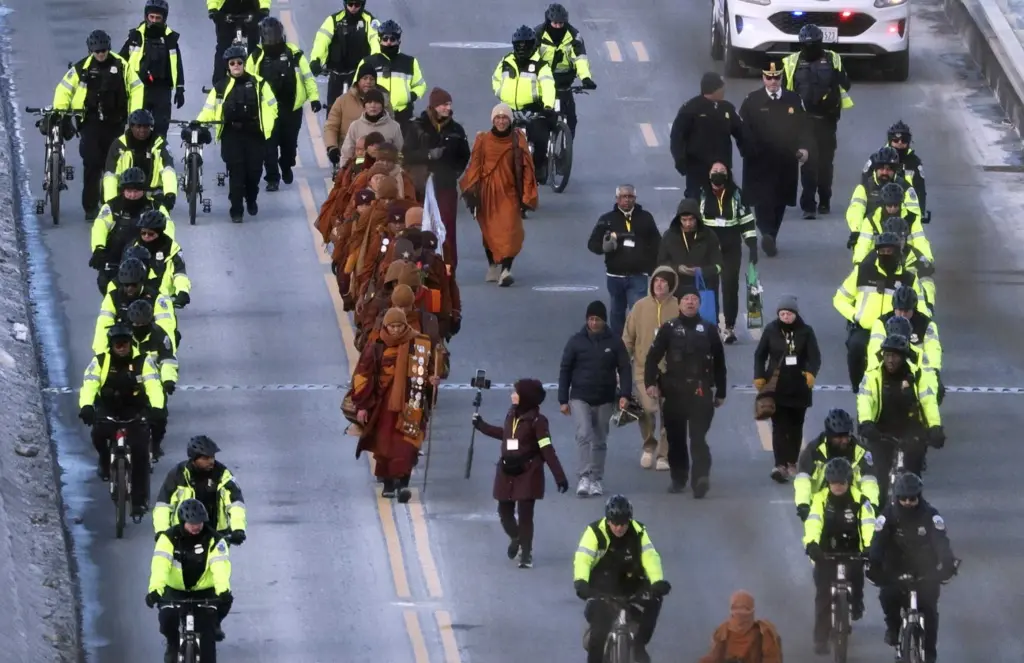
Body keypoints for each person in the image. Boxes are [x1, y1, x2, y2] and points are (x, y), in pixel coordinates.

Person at [471, 379, 569, 568]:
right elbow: (506, 434)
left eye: (515, 392)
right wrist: (482, 426)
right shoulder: (511, 414)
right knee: (504, 511)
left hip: (528, 471)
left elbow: (546, 448)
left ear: (526, 396)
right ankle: (516, 537)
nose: (512, 395)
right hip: (507, 470)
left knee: (525, 513)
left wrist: (559, 476)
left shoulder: (538, 422)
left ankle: (526, 553)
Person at [53, 30, 144, 220]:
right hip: (90, 123)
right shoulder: (82, 67)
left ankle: (111, 204)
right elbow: (64, 88)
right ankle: (90, 207)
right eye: (97, 51)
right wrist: (59, 110)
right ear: (91, 50)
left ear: (108, 48)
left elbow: (137, 87)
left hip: (115, 122)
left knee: (113, 165)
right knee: (92, 164)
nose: (101, 54)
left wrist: (135, 115)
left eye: (103, 50)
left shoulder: (121, 65)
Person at [644, 288, 726, 497]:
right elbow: (652, 358)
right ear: (679, 304)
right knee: (676, 438)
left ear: (699, 304)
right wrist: (650, 383)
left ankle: (700, 478)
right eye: (686, 299)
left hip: (700, 391)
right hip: (674, 392)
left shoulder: (708, 329)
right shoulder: (669, 328)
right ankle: (679, 478)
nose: (690, 302)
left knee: (698, 437)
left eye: (694, 299)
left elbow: (719, 363)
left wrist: (721, 392)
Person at [351, 308, 439, 502]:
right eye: (392, 326)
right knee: (385, 446)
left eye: (400, 326)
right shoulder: (376, 345)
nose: (396, 330)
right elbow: (362, 374)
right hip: (383, 405)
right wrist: (363, 405)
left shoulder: (418, 343)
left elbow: (427, 369)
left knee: (407, 444)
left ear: (405, 325)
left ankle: (403, 486)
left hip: (411, 404)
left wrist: (432, 380)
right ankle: (389, 484)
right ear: (385, 326)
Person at [78, 324, 165, 517]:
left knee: (141, 452)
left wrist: (157, 408)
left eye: (125, 343)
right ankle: (104, 459)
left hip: (135, 411)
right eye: (117, 343)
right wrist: (86, 406)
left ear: (130, 343)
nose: (121, 346)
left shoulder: (144, 362)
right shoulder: (100, 362)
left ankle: (138, 502)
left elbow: (154, 386)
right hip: (109, 409)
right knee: (98, 434)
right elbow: (90, 385)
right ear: (111, 345)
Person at [868, 473, 956, 661]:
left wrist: (947, 564)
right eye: (903, 498)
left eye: (912, 498)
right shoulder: (887, 516)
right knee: (887, 596)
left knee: (930, 611)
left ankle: (930, 653)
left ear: (919, 496)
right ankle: (893, 628)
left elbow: (941, 542)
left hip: (925, 569)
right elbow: (878, 542)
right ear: (897, 497)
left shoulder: (931, 515)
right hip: (895, 568)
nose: (908, 502)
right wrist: (873, 564)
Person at [573, 495, 670, 663]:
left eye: (623, 524)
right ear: (608, 520)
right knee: (599, 634)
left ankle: (639, 645)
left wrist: (657, 581)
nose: (619, 528)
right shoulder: (594, 532)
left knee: (655, 600)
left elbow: (650, 557)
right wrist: (581, 582)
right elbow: (583, 559)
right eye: (615, 523)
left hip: (633, 585)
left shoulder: (639, 531)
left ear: (629, 521)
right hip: (603, 588)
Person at [833, 231, 928, 392]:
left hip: (898, 331)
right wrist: (855, 315)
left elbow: (921, 308)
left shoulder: (909, 279)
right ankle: (859, 389)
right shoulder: (863, 271)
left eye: (890, 251)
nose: (885, 255)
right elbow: (839, 299)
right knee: (855, 349)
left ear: (898, 252)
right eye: (882, 251)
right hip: (866, 328)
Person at [857, 334, 944, 504]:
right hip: (881, 429)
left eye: (895, 356)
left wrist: (935, 427)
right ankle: (879, 512)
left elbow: (928, 401)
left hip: (910, 427)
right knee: (879, 476)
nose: (890, 360)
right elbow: (864, 400)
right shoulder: (873, 375)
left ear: (903, 357)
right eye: (887, 355)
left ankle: (914, 506)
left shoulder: (917, 375)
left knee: (914, 470)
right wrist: (866, 422)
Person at [197, 44, 278, 223]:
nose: (236, 66)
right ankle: (236, 209)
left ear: (244, 64)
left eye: (239, 62)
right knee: (236, 172)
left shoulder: (259, 83)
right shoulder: (220, 87)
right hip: (231, 134)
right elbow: (209, 110)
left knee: (254, 172)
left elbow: (272, 107)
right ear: (227, 65)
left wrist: (267, 127)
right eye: (232, 63)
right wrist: (199, 123)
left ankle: (251, 198)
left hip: (255, 133)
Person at [146, 499, 233, 663]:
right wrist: (155, 590)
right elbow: (160, 566)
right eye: (192, 523)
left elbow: (220, 567)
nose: (196, 526)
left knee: (208, 639)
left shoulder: (215, 540)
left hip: (204, 591)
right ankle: (173, 643)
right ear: (183, 522)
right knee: (167, 620)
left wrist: (222, 590)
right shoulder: (168, 538)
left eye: (199, 523)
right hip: (175, 591)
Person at [460, 103, 538, 287]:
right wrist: (470, 191)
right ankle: (493, 265)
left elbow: (527, 168)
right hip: (487, 193)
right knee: (490, 232)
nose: (501, 121)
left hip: (509, 192)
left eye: (505, 118)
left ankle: (506, 269)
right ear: (493, 120)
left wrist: (527, 195)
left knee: (512, 230)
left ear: (510, 120)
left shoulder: (518, 140)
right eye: (498, 118)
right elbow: (475, 166)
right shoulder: (483, 140)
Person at [558, 301, 632, 497]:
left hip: (605, 397)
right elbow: (565, 369)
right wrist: (563, 400)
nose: (593, 323)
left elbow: (624, 368)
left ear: (603, 321)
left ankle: (596, 479)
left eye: (597, 319)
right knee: (583, 433)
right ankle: (584, 476)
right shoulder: (576, 342)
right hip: (580, 396)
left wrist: (625, 395)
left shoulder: (615, 342)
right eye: (590, 319)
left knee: (599, 439)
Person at [804, 458, 876, 654]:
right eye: (833, 483)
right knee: (823, 596)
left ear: (848, 482)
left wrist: (870, 546)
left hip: (852, 551)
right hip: (825, 553)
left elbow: (868, 524)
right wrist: (811, 544)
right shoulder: (820, 499)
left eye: (841, 483)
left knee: (857, 576)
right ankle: (820, 638)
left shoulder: (861, 500)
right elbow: (813, 522)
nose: (837, 487)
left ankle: (856, 603)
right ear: (828, 482)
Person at [781, 24, 853, 218]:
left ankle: (825, 199)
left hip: (827, 120)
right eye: (806, 45)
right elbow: (784, 92)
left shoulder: (832, 58)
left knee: (825, 164)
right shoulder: (791, 62)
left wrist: (837, 83)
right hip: (803, 121)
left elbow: (846, 84)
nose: (810, 48)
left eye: (814, 44)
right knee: (808, 162)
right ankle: (808, 205)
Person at [738, 62, 809, 257]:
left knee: (780, 200)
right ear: (763, 78)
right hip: (759, 161)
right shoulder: (752, 101)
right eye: (768, 77)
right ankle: (766, 233)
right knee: (762, 200)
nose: (772, 81)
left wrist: (804, 147)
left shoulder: (793, 100)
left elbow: (804, 127)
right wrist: (746, 151)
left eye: (776, 77)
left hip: (785, 160)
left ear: (781, 78)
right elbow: (742, 130)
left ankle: (772, 235)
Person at [245, 17, 321, 191]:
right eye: (269, 36)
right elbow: (248, 81)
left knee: (289, 145)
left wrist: (314, 98)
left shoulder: (294, 54)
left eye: (275, 35)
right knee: (268, 146)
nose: (272, 39)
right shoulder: (256, 56)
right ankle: (272, 178)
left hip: (291, 108)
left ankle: (286, 165)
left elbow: (308, 77)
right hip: (267, 110)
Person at [753, 295, 821, 482]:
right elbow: (760, 355)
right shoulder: (771, 330)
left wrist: (811, 373)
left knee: (796, 426)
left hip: (799, 386)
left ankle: (792, 461)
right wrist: (759, 375)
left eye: (788, 314)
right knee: (779, 426)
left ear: (795, 314)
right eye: (782, 314)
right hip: (777, 386)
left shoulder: (806, 332)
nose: (785, 317)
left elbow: (815, 356)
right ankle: (779, 464)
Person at [401, 87, 471, 266]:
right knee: (421, 225)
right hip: (421, 186)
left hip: (445, 186)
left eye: (449, 104)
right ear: (433, 107)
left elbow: (464, 155)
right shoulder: (416, 127)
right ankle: (418, 264)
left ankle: (448, 266)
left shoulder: (456, 129)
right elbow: (407, 155)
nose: (447, 108)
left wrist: (454, 172)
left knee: (446, 227)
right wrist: (429, 155)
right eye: (443, 105)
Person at [622, 266, 678, 471]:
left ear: (670, 285)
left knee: (669, 414)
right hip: (642, 369)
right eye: (656, 281)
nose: (659, 285)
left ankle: (664, 453)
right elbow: (628, 338)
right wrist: (621, 365)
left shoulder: (678, 308)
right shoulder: (639, 307)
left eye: (664, 281)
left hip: (671, 371)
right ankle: (648, 444)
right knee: (646, 409)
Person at [586, 184, 661, 336]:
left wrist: (654, 269)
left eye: (630, 197)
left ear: (635, 198)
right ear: (617, 199)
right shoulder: (607, 219)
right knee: (617, 313)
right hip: (615, 276)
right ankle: (618, 346)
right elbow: (592, 244)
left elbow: (657, 244)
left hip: (638, 275)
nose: (626, 200)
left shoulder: (645, 217)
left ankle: (636, 343)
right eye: (623, 197)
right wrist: (604, 247)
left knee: (637, 312)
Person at [152, 435, 248, 549]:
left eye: (212, 457)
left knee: (220, 566)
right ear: (194, 459)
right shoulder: (178, 475)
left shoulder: (222, 474)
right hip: (183, 536)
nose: (211, 461)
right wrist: (161, 531)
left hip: (215, 537)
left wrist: (238, 529)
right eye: (205, 458)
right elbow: (164, 505)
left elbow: (235, 503)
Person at [90, 167, 174, 294]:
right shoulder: (112, 207)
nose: (133, 195)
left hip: (148, 259)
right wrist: (98, 248)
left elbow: (168, 227)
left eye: (136, 191)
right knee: (104, 283)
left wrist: (164, 249)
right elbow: (100, 226)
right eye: (129, 191)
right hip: (116, 258)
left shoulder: (155, 206)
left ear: (144, 191)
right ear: (123, 190)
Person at [699, 163, 756, 342]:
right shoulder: (701, 194)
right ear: (708, 175)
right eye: (714, 172)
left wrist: (752, 246)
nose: (718, 174)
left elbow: (747, 221)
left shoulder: (737, 195)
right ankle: (711, 325)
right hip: (708, 251)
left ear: (728, 175)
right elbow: (692, 222)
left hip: (731, 249)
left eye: (722, 172)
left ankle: (729, 328)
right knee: (709, 288)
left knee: (730, 287)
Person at [492, 26, 556, 181]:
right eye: (519, 45)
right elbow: (496, 79)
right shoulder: (506, 61)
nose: (522, 48)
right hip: (509, 109)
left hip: (534, 109)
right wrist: (501, 93)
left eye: (525, 44)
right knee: (496, 141)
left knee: (540, 138)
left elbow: (548, 86)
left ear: (532, 45)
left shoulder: (541, 65)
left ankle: (539, 167)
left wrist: (547, 106)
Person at [669, 72, 744, 199]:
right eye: (722, 87)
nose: (724, 90)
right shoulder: (691, 109)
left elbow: (741, 131)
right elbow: (677, 136)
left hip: (722, 167)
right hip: (697, 167)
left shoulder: (726, 108)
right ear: (714, 89)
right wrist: (681, 162)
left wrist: (750, 151)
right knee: (696, 199)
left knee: (727, 198)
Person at [794, 408, 879, 519]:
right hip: (820, 503)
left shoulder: (862, 451)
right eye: (839, 437)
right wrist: (803, 504)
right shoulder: (813, 450)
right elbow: (803, 480)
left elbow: (869, 481)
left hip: (854, 503)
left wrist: (872, 504)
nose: (844, 440)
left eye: (846, 435)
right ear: (829, 435)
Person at [118, 1, 185, 138]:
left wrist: (180, 88)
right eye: (151, 17)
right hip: (139, 89)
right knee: (138, 129)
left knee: (160, 128)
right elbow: (121, 62)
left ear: (164, 18)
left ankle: (159, 156)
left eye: (157, 18)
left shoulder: (170, 39)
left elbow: (177, 64)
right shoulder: (135, 37)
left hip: (162, 89)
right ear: (146, 16)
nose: (154, 21)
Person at [534, 3, 596, 138]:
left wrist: (585, 77)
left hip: (564, 82)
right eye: (555, 23)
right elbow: (532, 58)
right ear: (548, 21)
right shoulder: (538, 34)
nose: (558, 26)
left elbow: (580, 58)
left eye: (561, 23)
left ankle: (566, 149)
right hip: (543, 82)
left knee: (571, 119)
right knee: (540, 117)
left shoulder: (574, 35)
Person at [867, 287, 943, 397]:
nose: (902, 315)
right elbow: (874, 350)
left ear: (914, 309)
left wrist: (930, 372)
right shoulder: (881, 322)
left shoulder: (926, 324)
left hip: (916, 369)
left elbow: (933, 352)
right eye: (899, 310)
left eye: (906, 311)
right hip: (888, 368)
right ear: (894, 308)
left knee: (937, 389)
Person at [92, 257, 177, 354]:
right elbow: (103, 327)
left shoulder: (157, 298)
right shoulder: (112, 297)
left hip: (150, 345)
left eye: (134, 285)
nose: (129, 289)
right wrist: (102, 355)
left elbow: (166, 327)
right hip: (123, 346)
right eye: (126, 285)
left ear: (141, 282)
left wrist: (167, 352)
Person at [309, 0, 381, 109]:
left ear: (362, 5)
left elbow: (375, 40)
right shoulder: (333, 20)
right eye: (350, 4)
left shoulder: (370, 21)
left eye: (357, 5)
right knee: (332, 109)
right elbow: (321, 40)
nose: (353, 8)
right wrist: (316, 60)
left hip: (358, 73)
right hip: (336, 71)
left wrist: (375, 61)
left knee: (361, 109)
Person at [845, 147, 921, 247]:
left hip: (900, 238)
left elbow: (915, 216)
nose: (885, 172)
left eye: (889, 169)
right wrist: (855, 231)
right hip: (870, 237)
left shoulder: (906, 188)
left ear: (895, 171)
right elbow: (856, 210)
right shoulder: (864, 188)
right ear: (875, 169)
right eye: (881, 168)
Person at [353, 20, 425, 126]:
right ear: (379, 40)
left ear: (399, 41)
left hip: (403, 115)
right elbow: (356, 87)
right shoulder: (368, 62)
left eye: (392, 39)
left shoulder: (410, 62)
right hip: (375, 115)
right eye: (385, 39)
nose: (389, 42)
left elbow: (420, 85)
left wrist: (410, 96)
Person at [101, 108, 177, 207]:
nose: (142, 130)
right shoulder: (119, 145)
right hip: (127, 195)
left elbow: (168, 171)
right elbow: (110, 175)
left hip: (153, 195)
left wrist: (170, 194)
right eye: (138, 126)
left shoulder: (160, 144)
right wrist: (110, 201)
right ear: (131, 127)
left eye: (146, 126)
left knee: (164, 221)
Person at [655, 198, 723, 300]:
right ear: (679, 219)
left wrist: (701, 271)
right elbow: (661, 262)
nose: (688, 224)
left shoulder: (709, 236)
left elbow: (718, 265)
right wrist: (677, 268)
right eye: (684, 220)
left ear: (697, 218)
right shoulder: (669, 236)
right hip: (676, 289)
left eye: (691, 219)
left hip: (703, 289)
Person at [324, 68, 392, 167]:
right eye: (365, 78)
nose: (368, 82)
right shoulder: (342, 101)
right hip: (350, 156)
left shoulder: (385, 102)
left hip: (377, 157)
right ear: (358, 81)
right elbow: (331, 126)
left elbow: (391, 127)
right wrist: (332, 147)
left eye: (372, 79)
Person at [851, 185, 933, 264]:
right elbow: (863, 244)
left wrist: (926, 259)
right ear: (884, 204)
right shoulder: (871, 220)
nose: (893, 208)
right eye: (889, 205)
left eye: (896, 205)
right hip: (879, 260)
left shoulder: (912, 218)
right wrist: (859, 262)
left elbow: (920, 241)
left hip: (907, 260)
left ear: (901, 203)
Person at [862, 120, 928, 215]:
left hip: (904, 209)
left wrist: (920, 213)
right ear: (890, 140)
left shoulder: (914, 162)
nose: (900, 143)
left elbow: (920, 190)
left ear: (909, 141)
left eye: (904, 140)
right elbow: (864, 185)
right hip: (875, 208)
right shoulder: (875, 159)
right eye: (896, 140)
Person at [697, 590, 783, 663]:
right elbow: (714, 657)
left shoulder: (764, 633)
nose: (740, 613)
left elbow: (772, 659)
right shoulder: (723, 632)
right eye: (736, 608)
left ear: (752, 611)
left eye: (745, 609)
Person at [133, 209, 191, 308]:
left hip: (162, 299)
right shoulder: (133, 248)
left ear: (159, 233)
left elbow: (180, 273)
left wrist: (183, 291)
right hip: (137, 298)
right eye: (143, 233)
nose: (146, 236)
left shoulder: (172, 248)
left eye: (151, 234)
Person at [127, 298, 178, 404]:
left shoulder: (159, 335)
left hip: (154, 381)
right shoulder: (123, 336)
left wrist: (168, 380)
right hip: (127, 379)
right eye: (137, 323)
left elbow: (167, 359)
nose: (140, 326)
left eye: (143, 323)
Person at [208, 0, 269, 85]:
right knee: (223, 47)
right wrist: (213, 9)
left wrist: (264, 7)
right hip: (226, 10)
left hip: (250, 9)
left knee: (254, 49)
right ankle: (219, 84)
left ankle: (257, 79)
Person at [339, 88, 403, 168]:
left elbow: (399, 153)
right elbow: (346, 153)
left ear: (382, 106)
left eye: (377, 102)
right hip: (360, 172)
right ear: (364, 106)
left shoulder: (394, 126)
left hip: (385, 173)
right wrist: (343, 172)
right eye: (369, 102)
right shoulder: (355, 126)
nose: (373, 105)